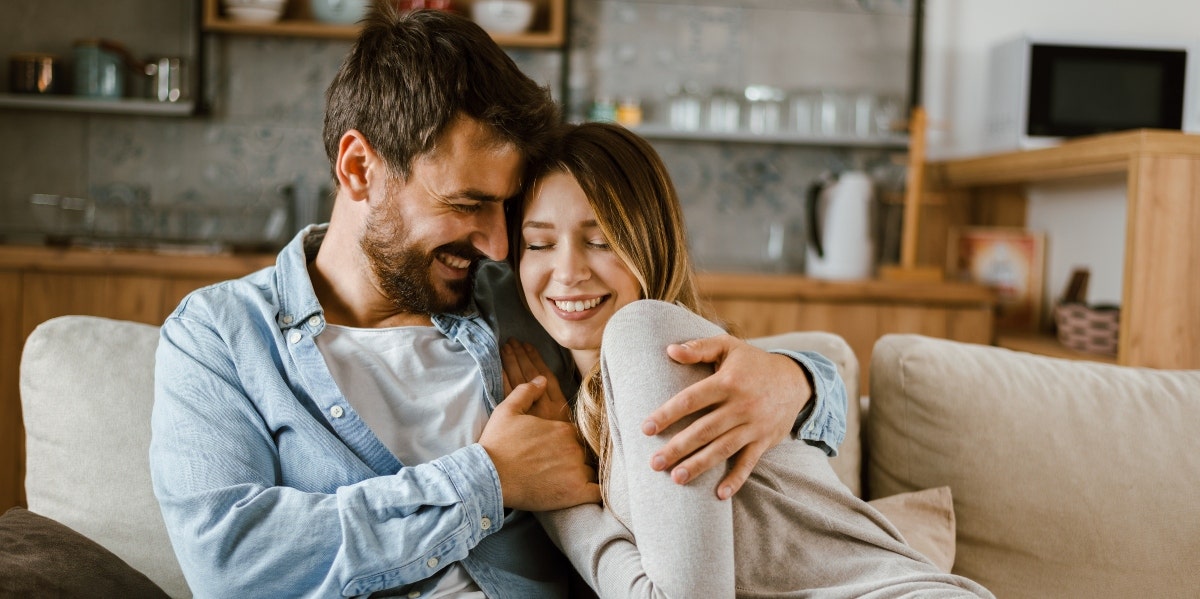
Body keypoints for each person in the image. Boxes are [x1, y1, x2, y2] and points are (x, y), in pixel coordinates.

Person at [149, 7, 845, 598]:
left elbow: (688, 346)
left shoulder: (530, 300)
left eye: (506, 208)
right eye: (467, 204)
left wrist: (800, 382)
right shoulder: (219, 335)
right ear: (361, 169)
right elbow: (231, 559)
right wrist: (489, 479)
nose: (497, 241)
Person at [502, 122, 995, 598]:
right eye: (539, 244)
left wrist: (559, 504)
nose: (566, 272)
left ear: (650, 242)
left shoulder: (646, 336)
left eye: (601, 240)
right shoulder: (594, 399)